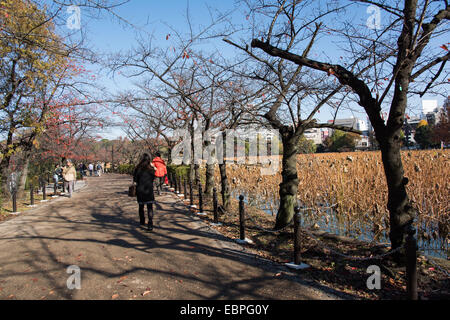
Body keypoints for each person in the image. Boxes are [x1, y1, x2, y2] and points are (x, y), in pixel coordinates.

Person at [133, 153, 156, 231]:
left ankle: (142, 221)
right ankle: (150, 223)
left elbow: (135, 180)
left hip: (140, 190)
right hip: (149, 190)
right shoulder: (151, 169)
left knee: (141, 207)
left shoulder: (137, 168)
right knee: (150, 207)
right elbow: (153, 178)